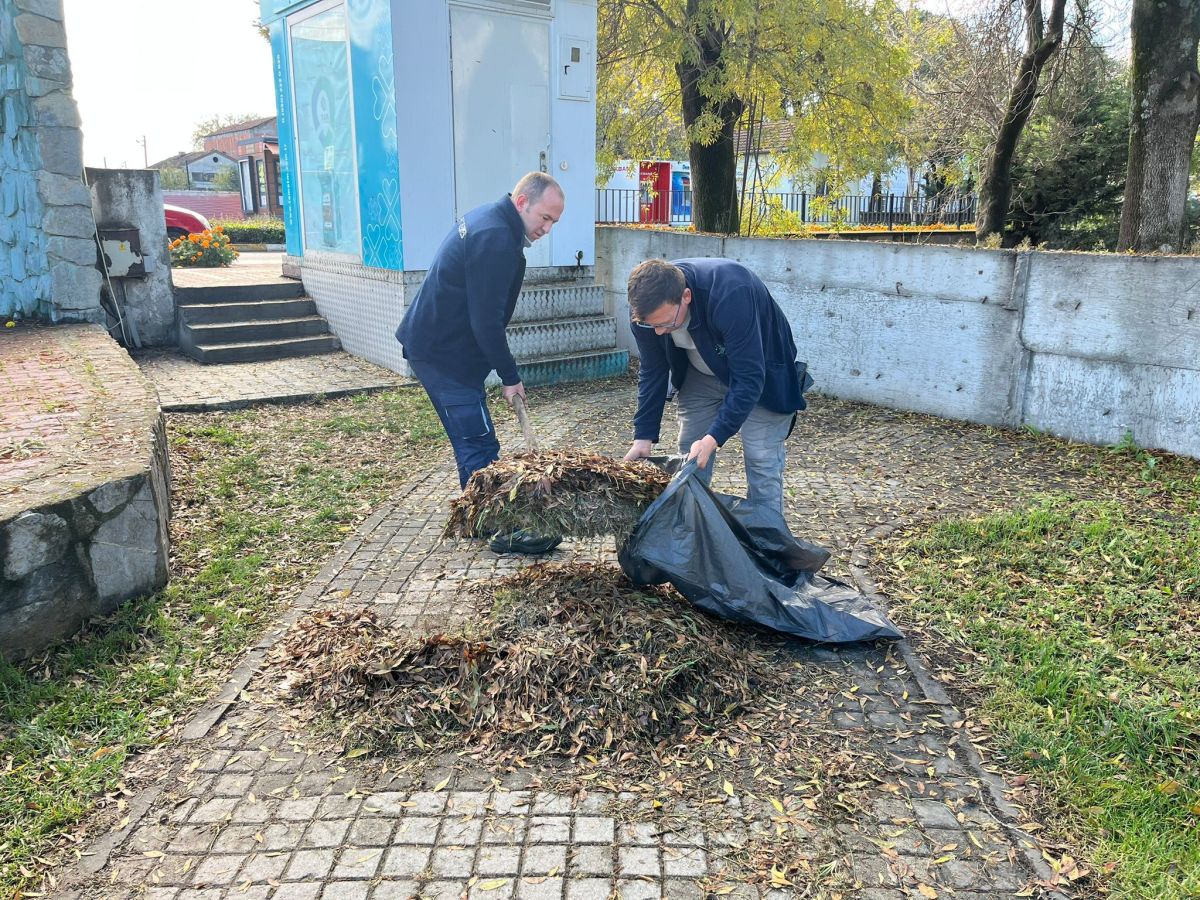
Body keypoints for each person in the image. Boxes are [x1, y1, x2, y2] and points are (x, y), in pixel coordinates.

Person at [396, 172, 565, 554]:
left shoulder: (492, 221)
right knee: (478, 442)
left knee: (471, 437)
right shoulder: (495, 238)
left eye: (554, 222)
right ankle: (501, 528)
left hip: (444, 348)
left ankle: (476, 516)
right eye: (545, 217)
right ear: (522, 202)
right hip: (442, 354)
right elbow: (486, 321)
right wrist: (510, 376)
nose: (547, 229)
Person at [622, 257, 811, 513]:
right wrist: (643, 437)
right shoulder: (644, 311)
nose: (658, 332)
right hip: (699, 373)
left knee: (760, 458)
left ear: (686, 296)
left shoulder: (732, 293)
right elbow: (653, 370)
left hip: (762, 375)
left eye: (665, 324)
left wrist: (713, 439)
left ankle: (768, 532)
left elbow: (749, 378)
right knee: (690, 455)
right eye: (652, 325)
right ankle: (691, 528)